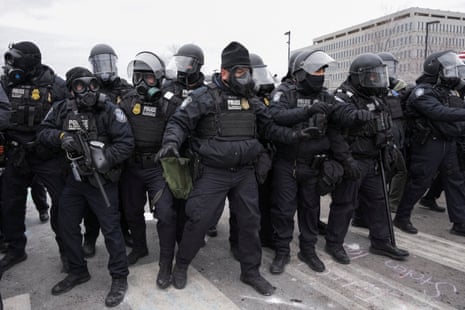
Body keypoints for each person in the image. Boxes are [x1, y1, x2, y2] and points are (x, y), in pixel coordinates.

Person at [156, 41, 312, 296]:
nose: (245, 77)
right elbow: (179, 122)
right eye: (240, 72)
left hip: (244, 173)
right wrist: (171, 142)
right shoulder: (205, 96)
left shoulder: (251, 100)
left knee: (250, 223)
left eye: (247, 72)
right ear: (225, 71)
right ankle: (182, 264)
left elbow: (270, 128)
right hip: (213, 172)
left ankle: (250, 271)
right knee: (198, 220)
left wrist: (297, 135)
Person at [38, 67, 134, 307]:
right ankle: (78, 270)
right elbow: (43, 131)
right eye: (80, 86)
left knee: (111, 229)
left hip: (102, 181)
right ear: (71, 89)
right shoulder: (62, 109)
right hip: (74, 180)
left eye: (92, 85)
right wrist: (61, 138)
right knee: (66, 224)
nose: (87, 91)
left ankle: (119, 277)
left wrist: (104, 157)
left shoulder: (109, 110)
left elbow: (126, 142)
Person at [268, 49, 348, 274]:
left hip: (313, 165)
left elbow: (341, 112)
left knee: (311, 210)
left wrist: (355, 115)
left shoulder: (325, 95)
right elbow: (276, 116)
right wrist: (306, 112)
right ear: (301, 72)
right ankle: (282, 251)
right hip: (288, 163)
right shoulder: (284, 92)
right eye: (316, 69)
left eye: (323, 70)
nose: (320, 74)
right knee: (284, 211)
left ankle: (308, 250)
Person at [326, 53, 409, 264]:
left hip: (374, 159)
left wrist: (388, 146)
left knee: (379, 202)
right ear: (359, 76)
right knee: (345, 203)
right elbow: (339, 121)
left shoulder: (376, 96)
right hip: (353, 159)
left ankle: (381, 241)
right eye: (372, 77)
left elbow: (385, 122)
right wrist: (347, 161)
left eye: (379, 76)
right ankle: (334, 244)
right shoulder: (343, 95)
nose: (377, 80)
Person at [0, 41, 68, 273]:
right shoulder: (5, 83)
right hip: (16, 153)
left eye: (15, 59)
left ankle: (69, 252)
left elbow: (70, 116)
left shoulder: (57, 86)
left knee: (63, 203)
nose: (10, 65)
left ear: (30, 60)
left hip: (47, 155)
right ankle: (15, 249)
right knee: (10, 203)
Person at [119, 51, 180, 289]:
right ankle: (140, 247)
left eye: (149, 79)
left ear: (159, 78)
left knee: (165, 213)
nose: (143, 84)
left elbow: (177, 127)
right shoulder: (126, 101)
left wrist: (170, 145)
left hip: (158, 167)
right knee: (132, 211)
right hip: (132, 166)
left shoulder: (169, 102)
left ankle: (166, 263)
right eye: (139, 78)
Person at [394, 50, 465, 236]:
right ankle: (402, 217)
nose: (453, 74)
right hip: (428, 144)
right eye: (448, 71)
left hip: (448, 143)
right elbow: (439, 112)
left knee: (455, 181)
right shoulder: (422, 91)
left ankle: (460, 223)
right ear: (437, 70)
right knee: (420, 182)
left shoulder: (450, 91)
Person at [82, 43, 134, 258]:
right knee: (92, 203)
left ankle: (123, 232)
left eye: (108, 62)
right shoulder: (89, 88)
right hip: (94, 153)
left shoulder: (125, 88)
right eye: (99, 63)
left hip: (121, 152)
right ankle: (91, 237)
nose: (104, 68)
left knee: (121, 199)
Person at [162, 43, 208, 243]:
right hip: (174, 150)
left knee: (197, 199)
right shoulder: (169, 88)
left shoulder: (205, 91)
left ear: (197, 65)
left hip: (198, 153)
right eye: (179, 62)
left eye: (186, 63)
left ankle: (195, 233)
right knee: (176, 197)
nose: (182, 67)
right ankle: (178, 235)